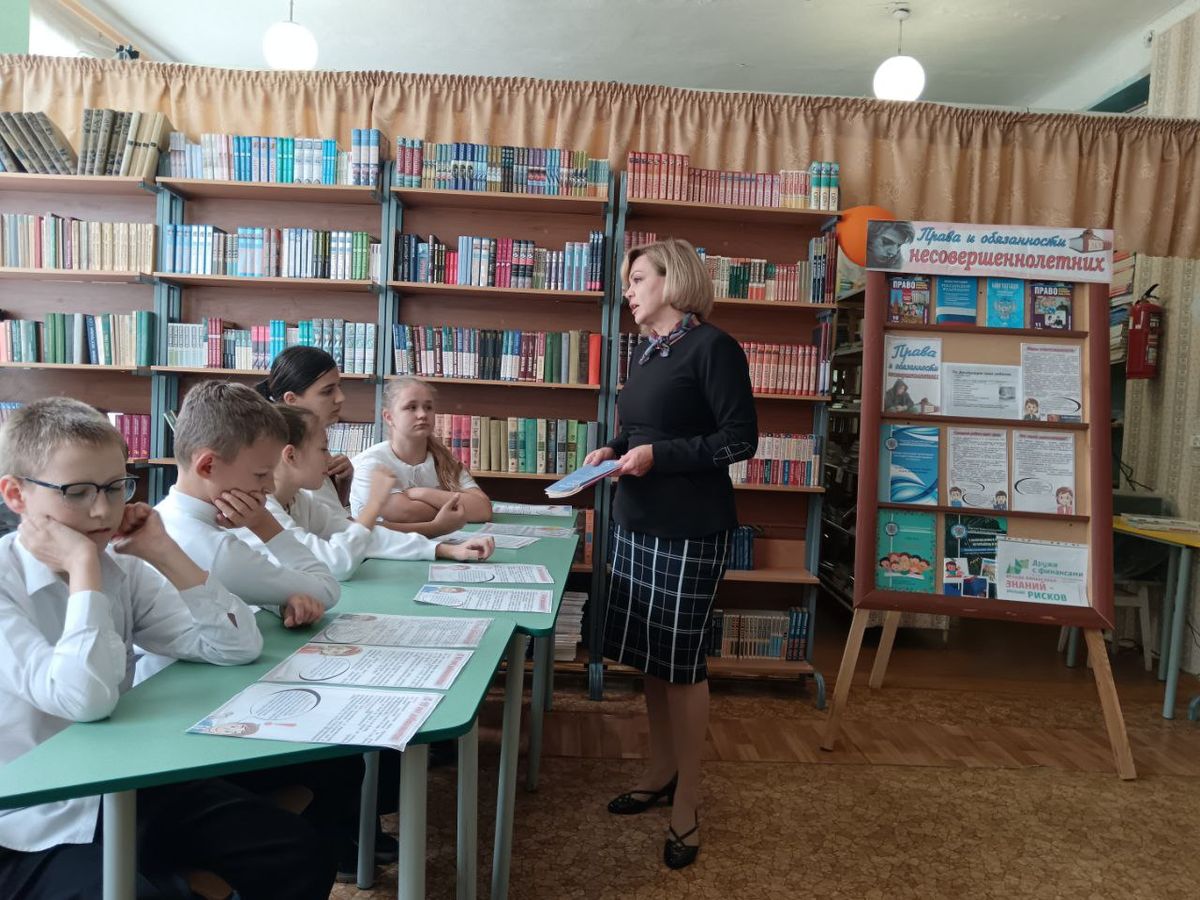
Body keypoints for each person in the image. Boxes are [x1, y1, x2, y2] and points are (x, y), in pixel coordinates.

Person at [0, 398, 335, 898]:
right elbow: (83, 699)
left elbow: (235, 645)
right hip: (30, 817)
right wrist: (84, 569)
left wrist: (162, 550)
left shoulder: (122, 564)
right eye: (77, 492)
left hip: (125, 781)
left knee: (297, 850)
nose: (102, 510)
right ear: (16, 495)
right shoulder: (18, 580)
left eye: (115, 487)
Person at [584, 238, 757, 870]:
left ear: (673, 280)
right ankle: (660, 771)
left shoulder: (713, 347)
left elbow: (739, 440)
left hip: (689, 529)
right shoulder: (648, 350)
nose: (627, 291)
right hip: (635, 522)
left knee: (683, 665)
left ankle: (688, 798)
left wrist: (658, 456)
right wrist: (614, 448)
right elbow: (642, 427)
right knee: (652, 658)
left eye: (637, 279)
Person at [237, 405, 495, 580]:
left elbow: (365, 537)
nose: (330, 459)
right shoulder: (261, 509)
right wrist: (374, 505)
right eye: (323, 449)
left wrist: (446, 550)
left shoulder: (299, 501)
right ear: (291, 455)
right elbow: (337, 564)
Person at [155, 381, 339, 622]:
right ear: (208, 466)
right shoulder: (218, 551)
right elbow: (327, 589)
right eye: (261, 474)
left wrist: (279, 602)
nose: (270, 487)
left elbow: (236, 586)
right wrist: (264, 523)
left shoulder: (163, 517)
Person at [349, 377, 492, 536]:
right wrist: (458, 508)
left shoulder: (444, 460)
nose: (422, 414)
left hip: (436, 545)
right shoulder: (371, 463)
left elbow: (483, 509)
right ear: (389, 417)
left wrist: (420, 493)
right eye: (411, 407)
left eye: (428, 407)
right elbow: (405, 514)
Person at [256, 346, 355, 514]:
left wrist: (343, 483)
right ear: (291, 399)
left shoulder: (307, 447)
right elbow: (337, 526)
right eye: (327, 391)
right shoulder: (298, 459)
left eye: (339, 387)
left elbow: (332, 520)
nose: (340, 397)